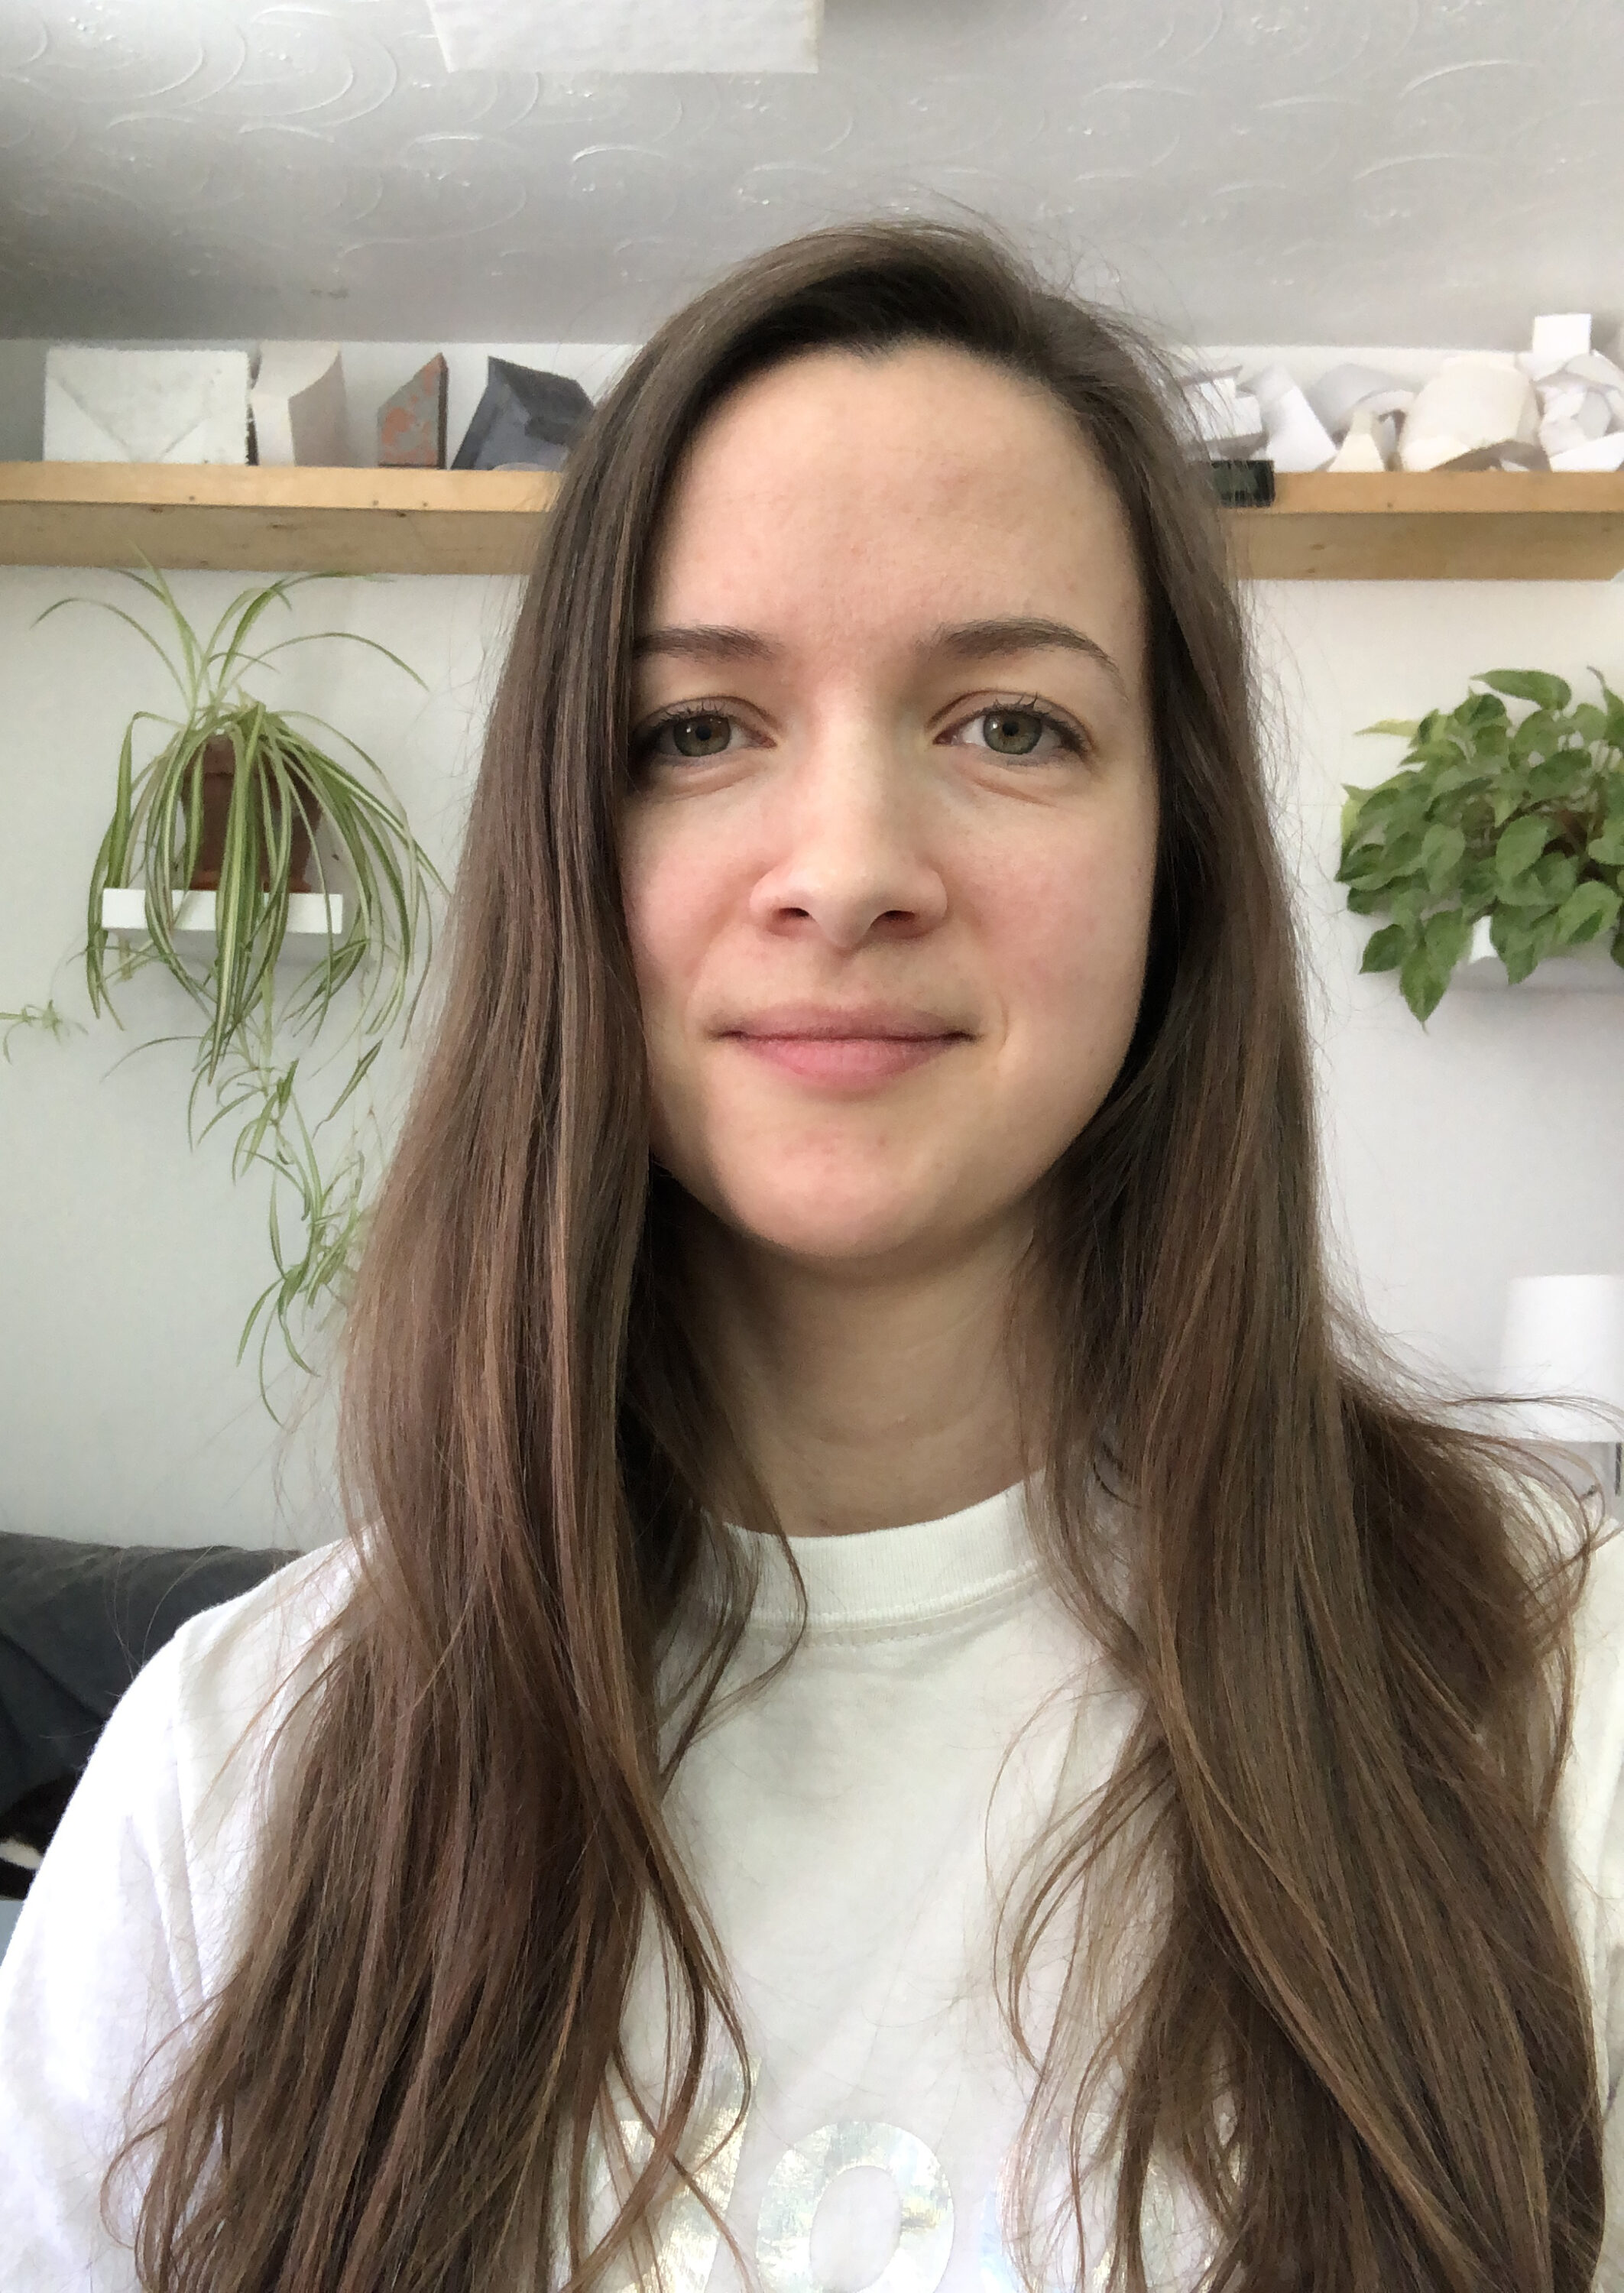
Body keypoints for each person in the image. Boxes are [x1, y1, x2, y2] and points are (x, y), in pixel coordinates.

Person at [0, 220, 1619, 2293]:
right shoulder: (231, 1777)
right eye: (697, 731)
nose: (847, 868)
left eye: (1013, 723)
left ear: (1177, 859)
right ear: (566, 853)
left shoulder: (1559, 1695)